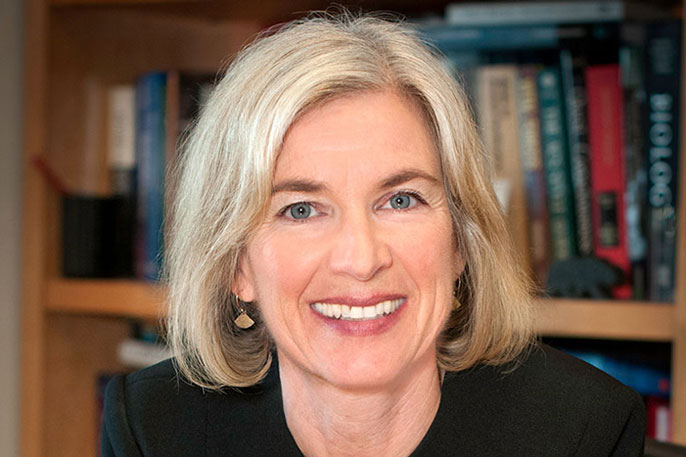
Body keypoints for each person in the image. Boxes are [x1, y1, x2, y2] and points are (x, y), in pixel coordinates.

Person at [101, 13, 645, 457]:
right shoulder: (154, 427)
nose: (361, 259)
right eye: (301, 209)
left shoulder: (583, 430)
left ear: (460, 242)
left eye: (400, 200)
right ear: (237, 265)